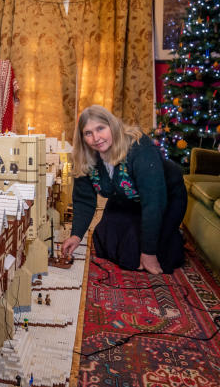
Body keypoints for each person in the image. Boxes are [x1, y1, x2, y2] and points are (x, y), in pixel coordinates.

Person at [60, 105, 186, 274]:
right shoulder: (86, 156)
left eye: (100, 128)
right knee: (106, 240)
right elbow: (84, 199)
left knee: (145, 255)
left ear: (112, 125)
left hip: (164, 198)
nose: (96, 138)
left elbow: (154, 201)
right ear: (82, 138)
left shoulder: (139, 147)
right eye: (88, 133)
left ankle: (171, 237)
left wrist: (149, 252)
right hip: (126, 197)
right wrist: (76, 235)